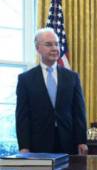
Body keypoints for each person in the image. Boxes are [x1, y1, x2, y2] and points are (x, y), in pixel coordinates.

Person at [15, 27, 88, 155]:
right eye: (49, 44)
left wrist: (82, 141)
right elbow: (22, 116)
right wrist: (24, 146)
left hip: (68, 142)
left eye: (57, 44)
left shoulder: (72, 77)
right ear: (38, 48)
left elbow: (79, 112)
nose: (55, 48)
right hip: (37, 144)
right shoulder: (25, 79)